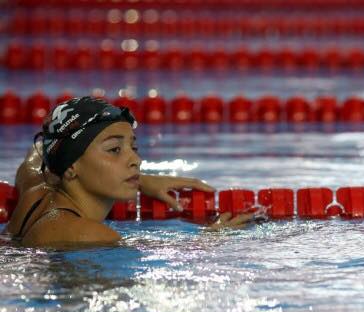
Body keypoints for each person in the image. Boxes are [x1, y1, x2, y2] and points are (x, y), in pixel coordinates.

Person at [3, 96, 255, 249]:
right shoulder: (83, 233)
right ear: (71, 167)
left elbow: (37, 154)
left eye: (133, 147)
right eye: (114, 150)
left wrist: (141, 181)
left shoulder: (36, 193)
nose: (135, 159)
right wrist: (209, 238)